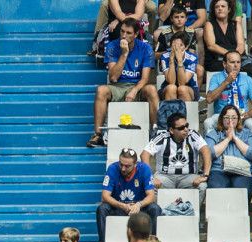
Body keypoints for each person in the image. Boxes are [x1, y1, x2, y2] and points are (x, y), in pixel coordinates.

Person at [88, 18, 156, 148]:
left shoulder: (146, 48)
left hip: (137, 87)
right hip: (118, 86)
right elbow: (113, 77)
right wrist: (124, 54)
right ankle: (98, 134)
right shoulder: (112, 46)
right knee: (101, 90)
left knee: (152, 90)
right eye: (122, 31)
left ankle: (155, 132)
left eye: (129, 33)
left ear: (136, 34)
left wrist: (134, 90)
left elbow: (145, 78)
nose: (124, 35)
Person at [96, 148, 160, 242]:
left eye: (127, 166)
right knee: (102, 209)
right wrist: (122, 205)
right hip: (119, 207)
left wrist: (139, 205)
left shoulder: (144, 169)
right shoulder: (112, 168)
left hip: (139, 208)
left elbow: (151, 196)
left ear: (135, 164)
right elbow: (105, 196)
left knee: (155, 208)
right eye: (121, 164)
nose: (123, 168)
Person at [141, 112, 210, 203]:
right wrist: (150, 177)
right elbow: (144, 154)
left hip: (188, 176)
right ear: (171, 130)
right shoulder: (162, 137)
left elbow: (206, 151)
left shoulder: (192, 135)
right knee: (150, 185)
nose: (186, 129)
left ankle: (192, 213)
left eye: (187, 125)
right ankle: (160, 214)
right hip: (165, 176)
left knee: (202, 186)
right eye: (181, 128)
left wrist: (205, 175)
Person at [203, 51, 252, 133]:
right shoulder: (216, 77)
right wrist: (226, 82)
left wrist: (248, 115)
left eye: (238, 62)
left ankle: (250, 146)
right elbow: (209, 99)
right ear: (224, 64)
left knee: (251, 124)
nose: (236, 65)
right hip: (221, 116)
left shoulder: (247, 79)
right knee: (208, 123)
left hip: (241, 116)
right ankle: (209, 146)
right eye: (232, 62)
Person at [205, 104, 252, 190]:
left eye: (233, 118)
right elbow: (209, 154)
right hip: (218, 170)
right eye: (226, 117)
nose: (230, 121)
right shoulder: (213, 134)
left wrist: (235, 138)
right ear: (222, 119)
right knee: (217, 188)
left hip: (242, 170)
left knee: (241, 190)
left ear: (238, 119)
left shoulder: (247, 133)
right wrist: (228, 138)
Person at [202, 0, 244, 75]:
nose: (220, 8)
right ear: (214, 10)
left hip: (235, 59)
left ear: (229, 10)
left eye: (223, 6)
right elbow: (211, 46)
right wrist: (230, 56)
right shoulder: (209, 24)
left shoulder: (236, 24)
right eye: (217, 7)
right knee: (230, 66)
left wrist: (235, 58)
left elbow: (241, 44)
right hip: (216, 60)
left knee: (250, 67)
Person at [159, 32, 198, 101]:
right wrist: (171, 60)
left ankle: (187, 112)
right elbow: (171, 81)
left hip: (189, 87)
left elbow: (182, 83)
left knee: (182, 89)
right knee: (171, 88)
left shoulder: (192, 58)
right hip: (167, 87)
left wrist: (180, 61)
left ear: (186, 47)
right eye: (174, 45)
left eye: (181, 45)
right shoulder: (164, 57)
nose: (176, 48)